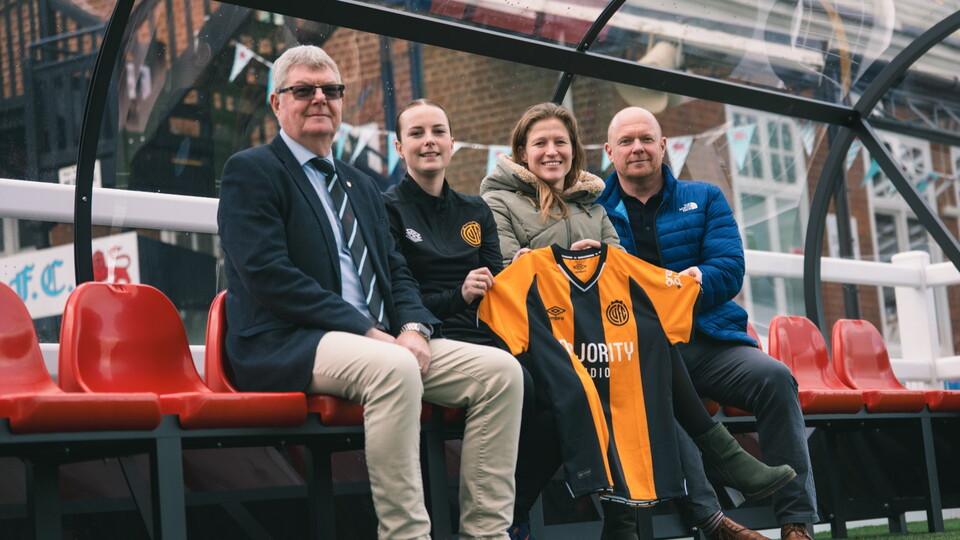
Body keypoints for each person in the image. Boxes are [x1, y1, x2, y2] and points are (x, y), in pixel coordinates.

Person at [218, 45, 523, 540]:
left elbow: (396, 272)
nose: (320, 98)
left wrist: (415, 327)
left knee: (502, 374)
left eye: (331, 90)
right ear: (277, 103)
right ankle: (406, 535)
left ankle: (486, 534)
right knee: (396, 365)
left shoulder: (361, 184)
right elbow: (267, 274)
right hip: (291, 340)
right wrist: (368, 331)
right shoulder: (251, 171)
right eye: (303, 90)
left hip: (380, 341)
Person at [481, 102, 794, 540]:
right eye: (540, 144)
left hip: (613, 343)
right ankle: (698, 485)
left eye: (561, 142)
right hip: (547, 343)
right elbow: (508, 274)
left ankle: (777, 516)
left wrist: (658, 275)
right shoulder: (499, 202)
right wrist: (569, 262)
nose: (552, 151)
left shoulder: (597, 204)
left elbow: (625, 277)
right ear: (521, 151)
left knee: (647, 348)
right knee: (640, 357)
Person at [597, 106, 818, 540]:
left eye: (646, 139)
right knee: (654, 396)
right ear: (610, 151)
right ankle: (715, 522)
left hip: (711, 340)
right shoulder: (593, 210)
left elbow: (730, 267)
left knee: (775, 378)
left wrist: (696, 281)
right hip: (642, 353)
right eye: (626, 141)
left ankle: (796, 522)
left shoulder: (705, 197)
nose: (637, 148)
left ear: (663, 146)